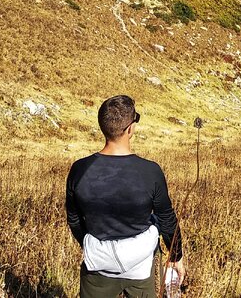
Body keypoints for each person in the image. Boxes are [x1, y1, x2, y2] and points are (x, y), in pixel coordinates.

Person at [66, 96, 185, 298]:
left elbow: (74, 219)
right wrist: (176, 257)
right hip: (141, 267)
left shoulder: (79, 169)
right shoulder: (150, 171)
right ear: (130, 128)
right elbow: (167, 219)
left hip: (98, 266)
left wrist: (90, 244)